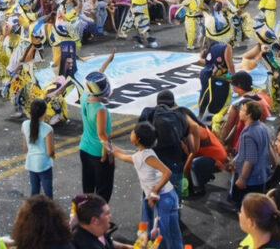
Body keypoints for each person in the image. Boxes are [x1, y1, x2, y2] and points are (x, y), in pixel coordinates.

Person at [107, 121, 183, 249]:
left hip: (163, 197)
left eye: (133, 132)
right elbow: (123, 153)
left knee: (162, 233)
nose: (131, 133)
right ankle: (149, 242)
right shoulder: (144, 153)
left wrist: (155, 190)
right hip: (164, 195)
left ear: (137, 139)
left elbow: (167, 172)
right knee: (170, 228)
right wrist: (108, 143)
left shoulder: (144, 157)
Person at [80, 56, 116, 202]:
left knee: (88, 188)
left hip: (84, 148)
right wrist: (109, 153)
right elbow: (102, 135)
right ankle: (99, 214)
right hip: (98, 153)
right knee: (103, 191)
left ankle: (86, 213)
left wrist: (106, 63)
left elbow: (92, 81)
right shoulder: (100, 110)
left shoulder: (85, 96)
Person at [228, 100, 272, 209]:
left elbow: (250, 159)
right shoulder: (263, 127)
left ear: (249, 115)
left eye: (243, 110)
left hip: (251, 180)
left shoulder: (249, 134)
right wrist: (235, 161)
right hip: (262, 175)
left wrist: (242, 179)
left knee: (247, 209)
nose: (240, 112)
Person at [23, 99, 56, 198]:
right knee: (48, 192)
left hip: (31, 163)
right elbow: (50, 152)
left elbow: (25, 148)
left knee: (34, 190)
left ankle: (33, 207)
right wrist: (54, 156)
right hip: (44, 164)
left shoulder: (25, 125)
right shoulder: (48, 129)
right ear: (44, 112)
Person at [197, 41, 235, 121]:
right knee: (210, 96)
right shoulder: (227, 47)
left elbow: (203, 61)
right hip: (211, 76)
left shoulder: (214, 45)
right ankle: (204, 116)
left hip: (205, 73)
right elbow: (230, 67)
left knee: (204, 95)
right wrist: (233, 79)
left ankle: (201, 115)